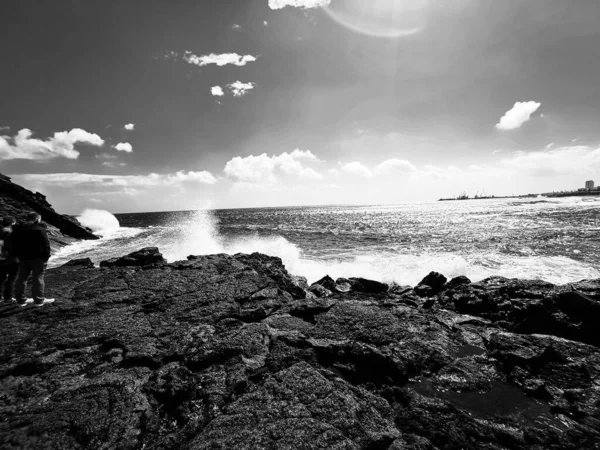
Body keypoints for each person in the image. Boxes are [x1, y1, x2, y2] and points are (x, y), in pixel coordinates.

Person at [11, 212, 55, 306]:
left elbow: (14, 244)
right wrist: (46, 257)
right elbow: (46, 245)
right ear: (37, 219)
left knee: (21, 278)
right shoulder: (40, 229)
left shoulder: (19, 229)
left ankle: (20, 300)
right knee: (38, 278)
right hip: (38, 259)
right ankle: (38, 301)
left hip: (23, 258)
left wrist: (17, 255)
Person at [0, 216, 18, 303]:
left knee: (1, 278)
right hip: (11, 259)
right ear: (12, 223)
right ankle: (8, 298)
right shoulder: (11, 233)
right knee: (11, 279)